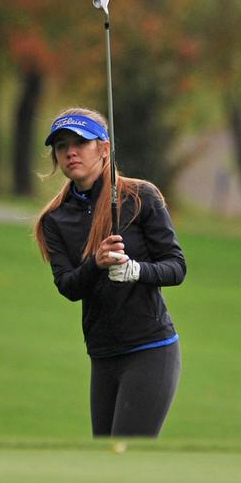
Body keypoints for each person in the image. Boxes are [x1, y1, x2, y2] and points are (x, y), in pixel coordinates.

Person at [33, 107, 186, 438]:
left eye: (80, 142)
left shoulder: (140, 196)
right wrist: (96, 265)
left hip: (150, 348)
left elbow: (176, 267)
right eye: (61, 146)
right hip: (103, 353)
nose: (70, 152)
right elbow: (69, 287)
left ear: (103, 148)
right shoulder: (54, 220)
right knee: (105, 455)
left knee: (127, 452)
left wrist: (135, 270)